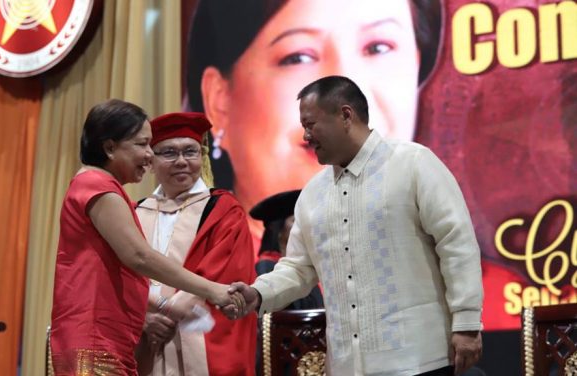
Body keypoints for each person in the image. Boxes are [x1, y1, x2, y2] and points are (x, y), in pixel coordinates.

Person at [231, 76, 483, 376]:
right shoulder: (313, 194)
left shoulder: (413, 163)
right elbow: (299, 268)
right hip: (347, 366)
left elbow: (457, 242)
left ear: (346, 115)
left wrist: (467, 323)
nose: (306, 136)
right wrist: (258, 294)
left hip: (421, 359)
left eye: (310, 124)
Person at [186, 0, 442, 239]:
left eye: (378, 48)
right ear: (219, 101)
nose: (347, 96)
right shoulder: (193, 270)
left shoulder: (459, 278)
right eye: (298, 57)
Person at [50, 100, 244, 375]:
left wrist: (163, 306)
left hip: (105, 335)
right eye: (142, 145)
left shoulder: (98, 186)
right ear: (109, 147)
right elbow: (139, 257)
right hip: (95, 337)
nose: (149, 156)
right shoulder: (97, 187)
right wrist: (213, 290)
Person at [134, 112, 257, 375]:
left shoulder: (223, 209)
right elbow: (122, 276)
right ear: (151, 161)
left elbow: (223, 273)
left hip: (200, 340)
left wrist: (168, 314)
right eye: (168, 153)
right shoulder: (136, 212)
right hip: (142, 340)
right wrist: (144, 319)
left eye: (190, 152)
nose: (181, 161)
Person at [250, 190, 323, 310]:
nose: (302, 227)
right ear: (277, 229)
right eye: (294, 221)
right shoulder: (267, 268)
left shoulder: (304, 268)